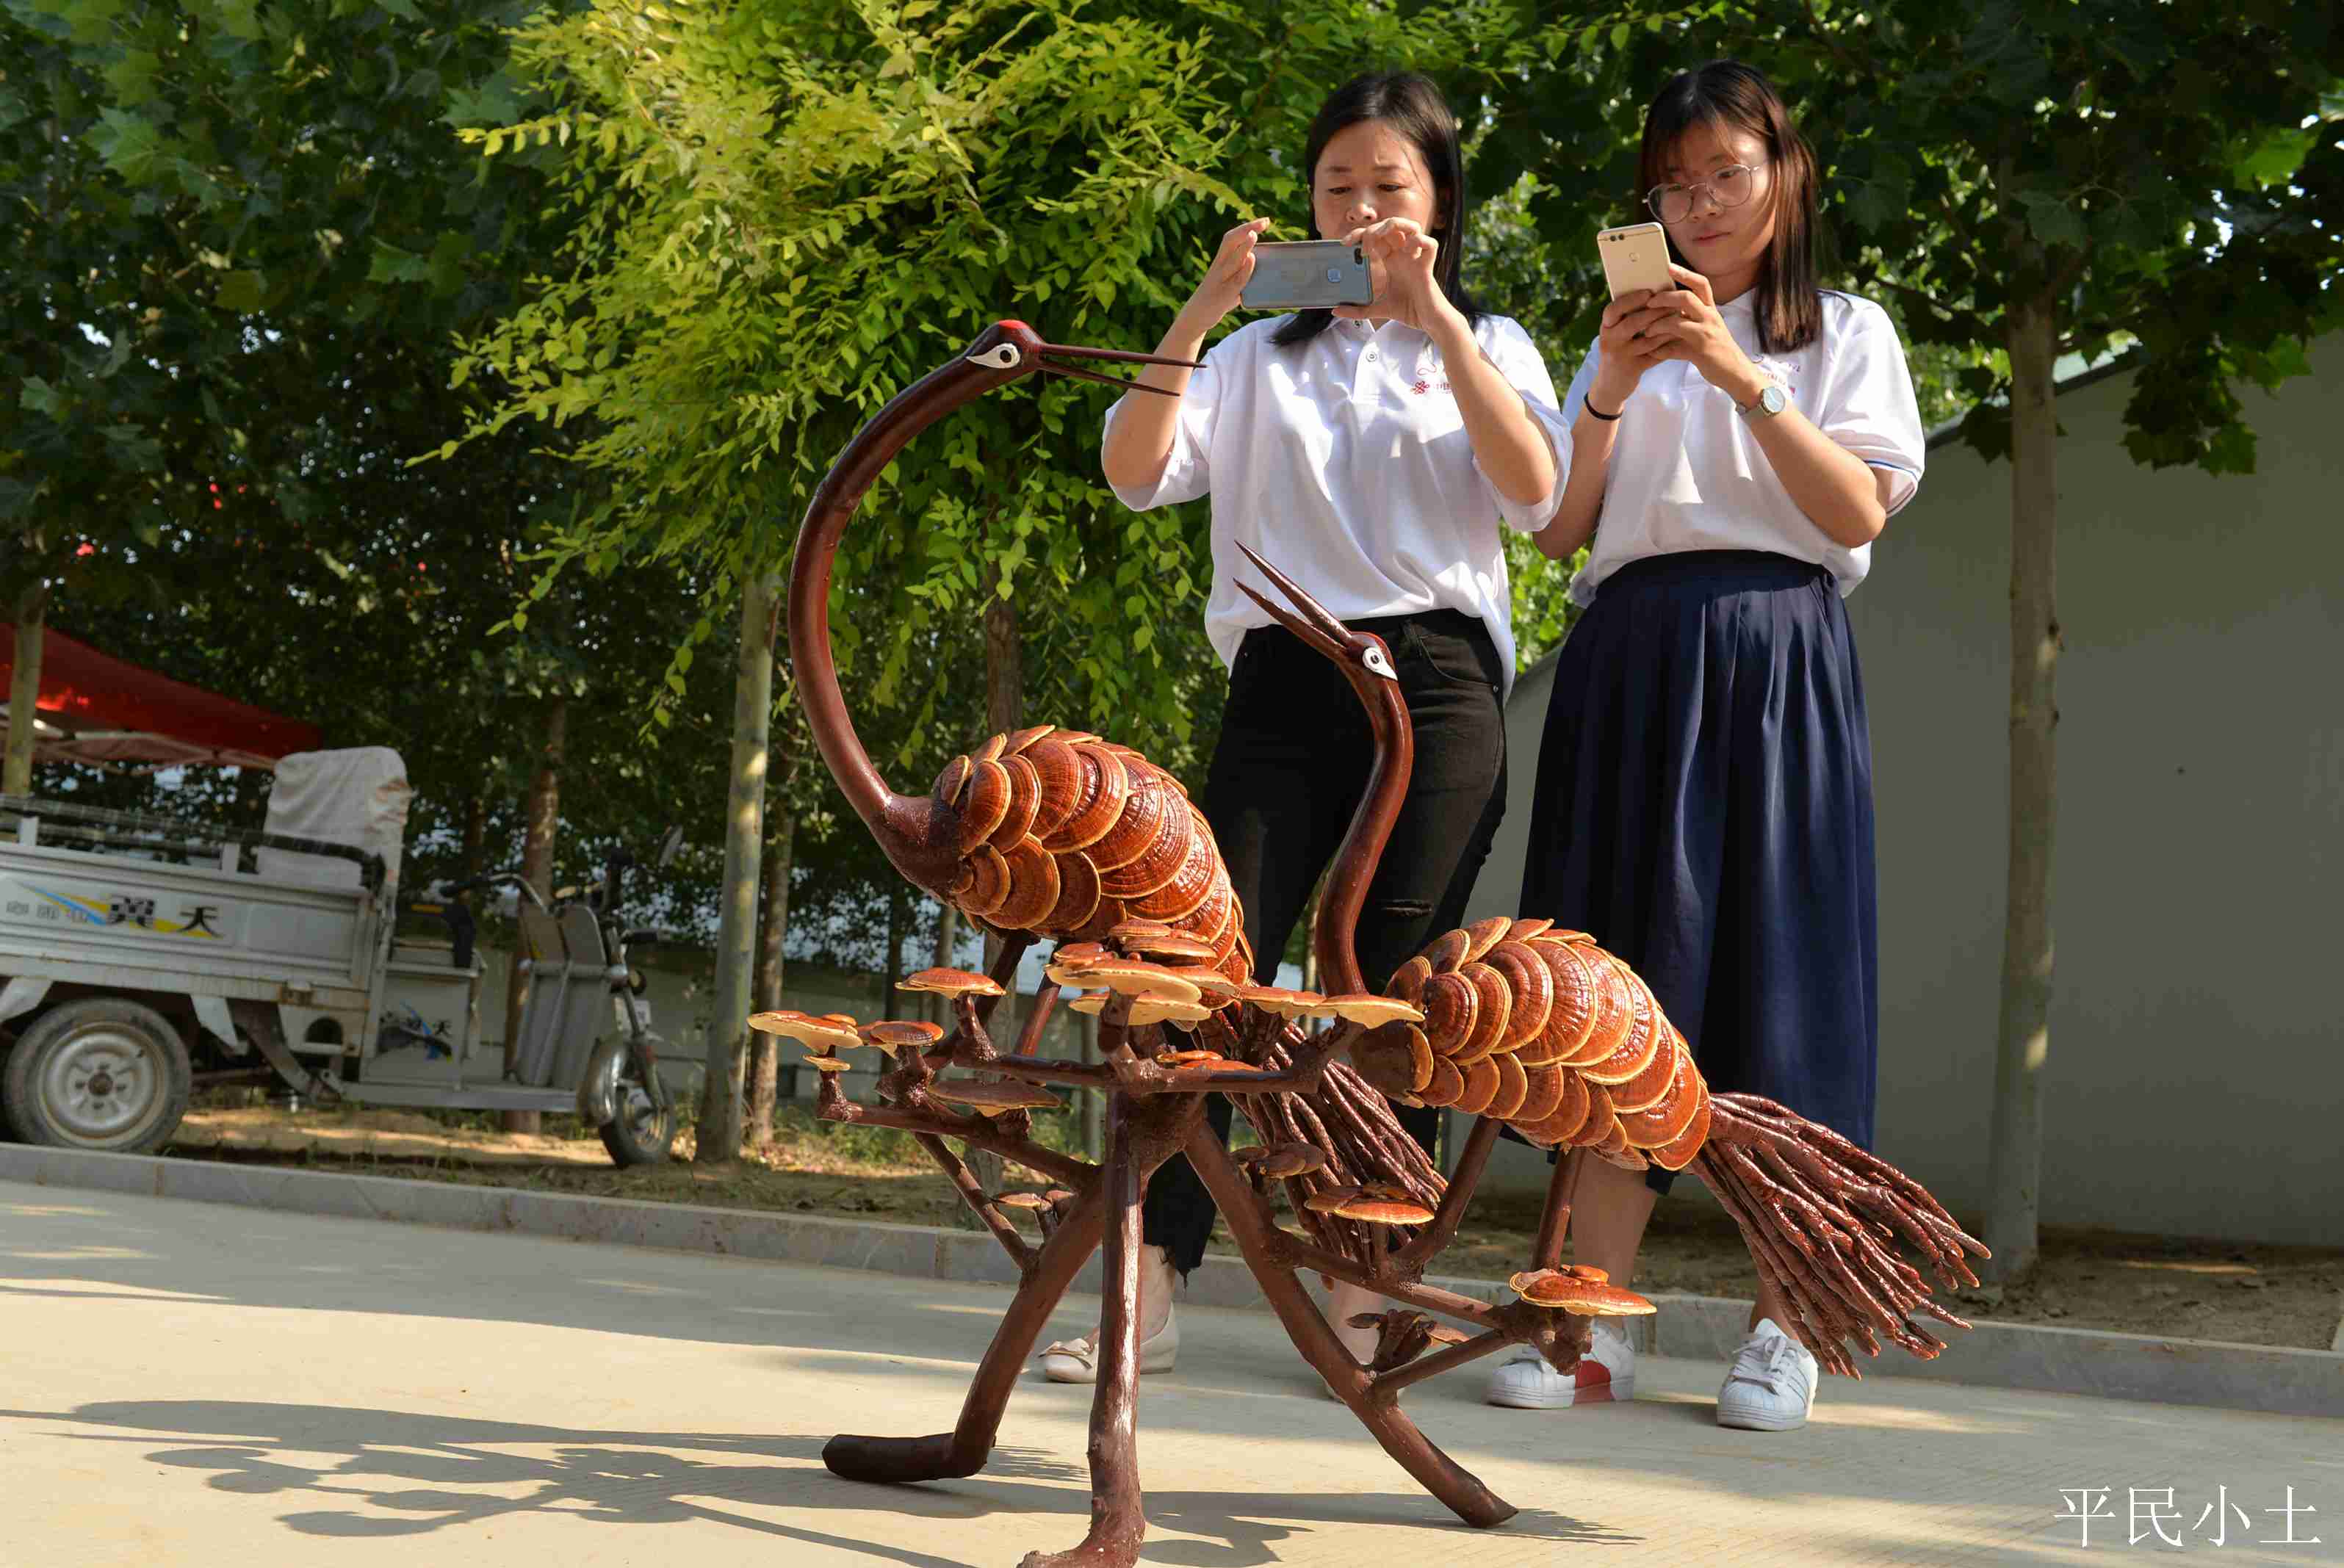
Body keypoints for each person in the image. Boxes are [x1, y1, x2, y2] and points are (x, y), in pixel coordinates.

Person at [1045, 70, 1572, 1385]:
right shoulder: (1247, 359)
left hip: (1438, 685)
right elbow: (1133, 473)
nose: (1362, 210)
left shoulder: (1490, 343)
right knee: (1203, 971)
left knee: (1395, 988)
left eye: (1391, 185)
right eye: (1338, 187)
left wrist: (1436, 319)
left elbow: (1535, 494)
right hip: (1284, 677)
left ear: (1441, 202)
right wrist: (1206, 305)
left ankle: (1365, 1277)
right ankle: (1150, 1280)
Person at [1490, 59, 1925, 1431]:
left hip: (1778, 659)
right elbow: (1560, 529)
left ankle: (1793, 1325)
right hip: (1629, 664)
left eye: (1727, 172)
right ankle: (1587, 1320)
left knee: (1786, 978)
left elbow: (1855, 512)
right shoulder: (1615, 341)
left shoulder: (1846, 331)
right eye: (1674, 185)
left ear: (1785, 173)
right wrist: (1611, 388)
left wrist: (1740, 375)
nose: (1702, 204)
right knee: (1617, 987)